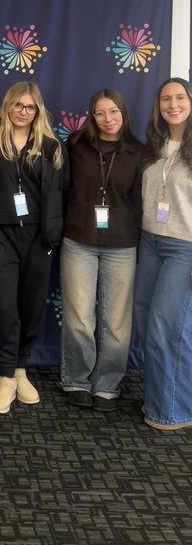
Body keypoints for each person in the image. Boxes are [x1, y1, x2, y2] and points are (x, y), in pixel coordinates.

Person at [0, 82, 68, 414]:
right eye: (17, 105)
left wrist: (54, 231)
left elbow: (64, 190)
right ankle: (4, 377)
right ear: (7, 106)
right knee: (3, 307)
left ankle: (20, 369)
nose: (23, 112)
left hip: (38, 236)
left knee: (31, 306)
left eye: (29, 107)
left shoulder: (51, 145)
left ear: (37, 110)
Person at [60, 89, 144, 412]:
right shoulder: (76, 146)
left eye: (113, 112)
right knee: (79, 316)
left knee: (116, 322)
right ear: (91, 116)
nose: (107, 118)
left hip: (122, 244)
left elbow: (140, 200)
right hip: (79, 239)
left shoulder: (139, 152)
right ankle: (77, 380)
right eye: (99, 113)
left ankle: (107, 383)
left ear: (123, 113)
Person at [133, 77, 192, 430]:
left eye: (180, 97)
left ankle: (174, 410)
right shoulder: (153, 147)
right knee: (146, 323)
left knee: (167, 329)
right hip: (150, 242)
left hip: (184, 248)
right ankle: (161, 396)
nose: (173, 104)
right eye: (166, 98)